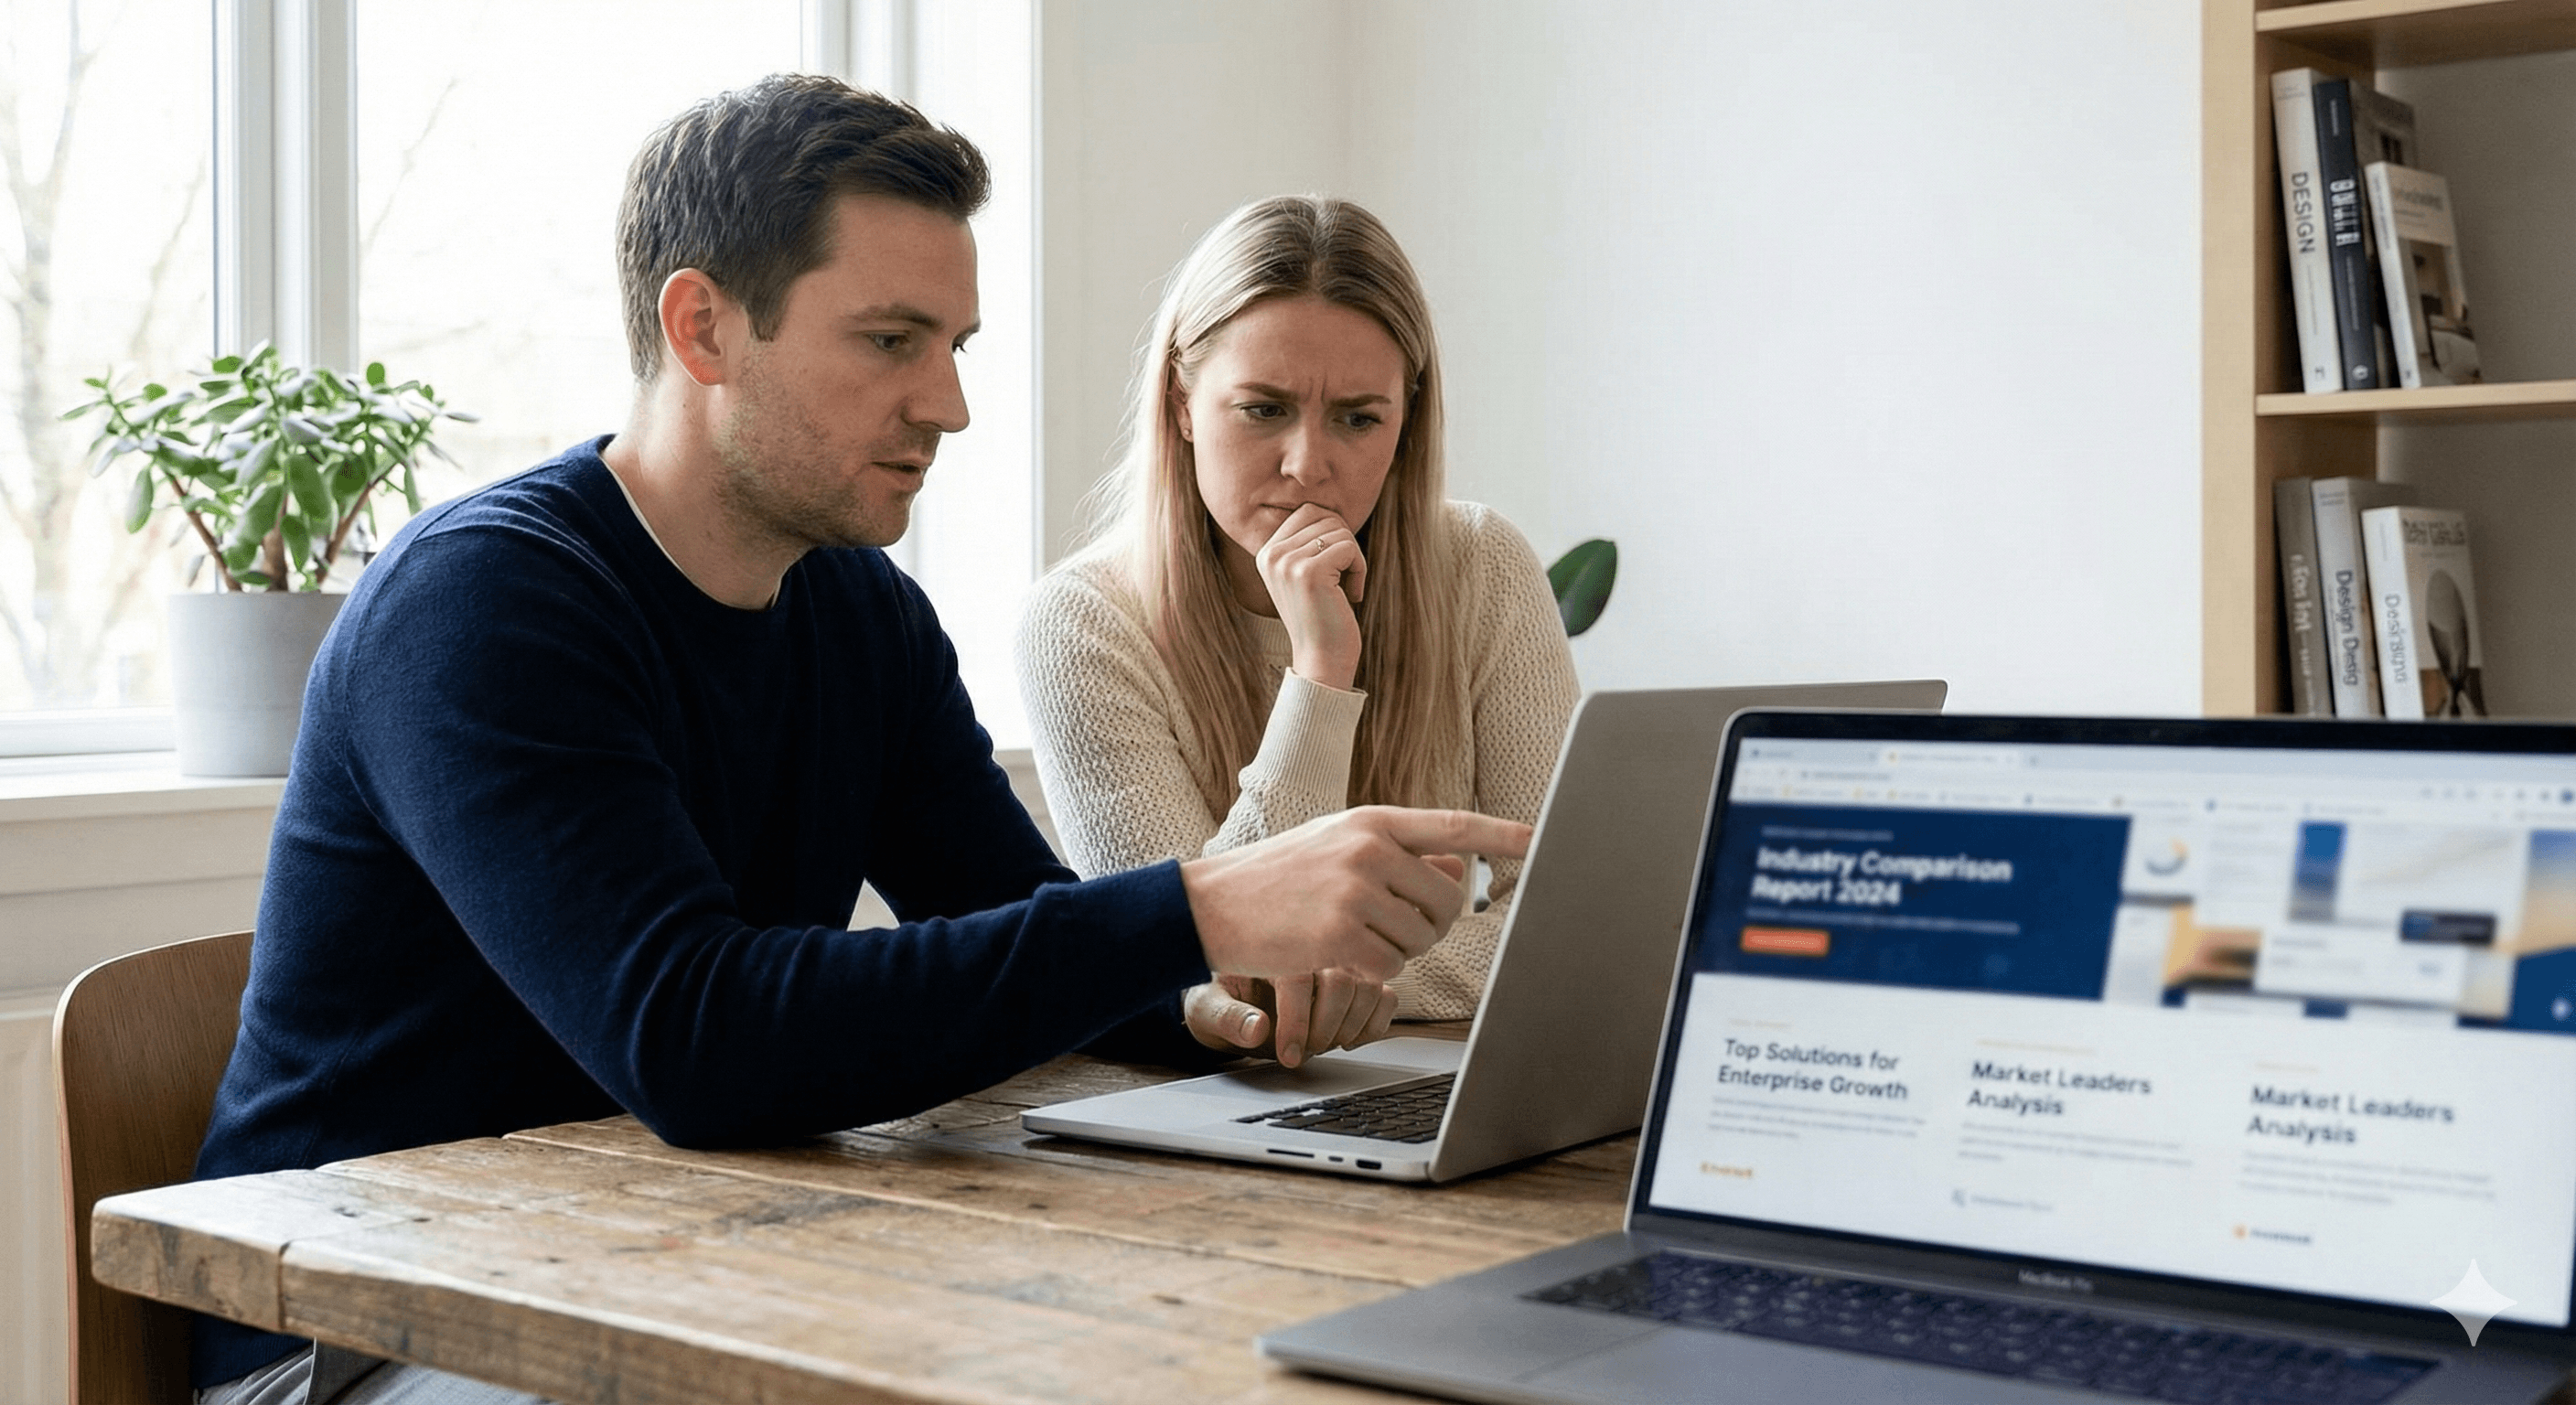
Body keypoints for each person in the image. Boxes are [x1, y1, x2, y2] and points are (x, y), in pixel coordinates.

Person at [189, 79, 1526, 1405]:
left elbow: (1031, 942)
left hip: (659, 1262)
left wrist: (1231, 997)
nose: (948, 404)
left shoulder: (859, 612)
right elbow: (696, 1040)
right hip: (360, 1334)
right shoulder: (484, 603)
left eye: (956, 345)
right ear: (704, 325)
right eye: (892, 341)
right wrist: (1203, 905)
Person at [1015, 196, 1578, 1068]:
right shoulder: (1083, 623)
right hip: (1216, 1098)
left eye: (1359, 418)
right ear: (1181, 404)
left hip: (1440, 1068)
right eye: (1263, 409)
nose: (1308, 464)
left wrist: (1362, 986)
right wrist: (1321, 671)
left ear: (1406, 421)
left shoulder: (1481, 565)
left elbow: (1564, 900)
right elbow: (1202, 961)